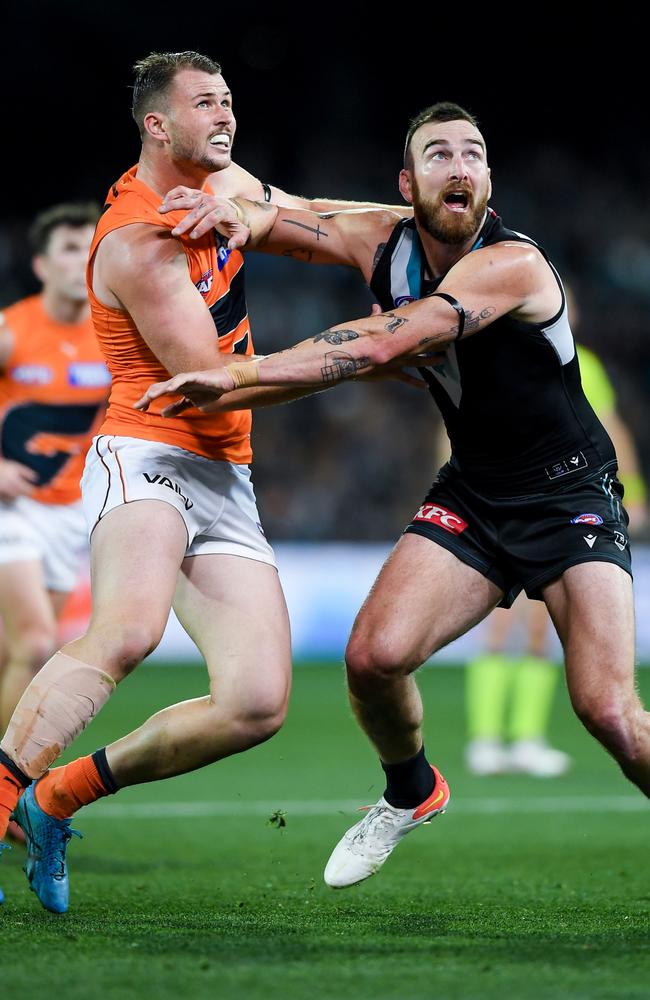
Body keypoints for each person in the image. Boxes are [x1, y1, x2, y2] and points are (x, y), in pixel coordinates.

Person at [139, 101, 650, 891]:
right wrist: (231, 208)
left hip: (568, 494)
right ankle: (411, 791)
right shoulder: (381, 236)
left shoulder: (513, 265)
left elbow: (382, 342)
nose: (459, 166)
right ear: (409, 183)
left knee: (609, 713)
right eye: (439, 154)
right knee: (372, 659)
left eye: (473, 154)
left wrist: (237, 374)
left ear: (487, 178)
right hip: (476, 493)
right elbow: (290, 215)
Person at [0, 50, 415, 913]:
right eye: (205, 105)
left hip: (226, 472)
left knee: (258, 701)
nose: (226, 117)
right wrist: (373, 353)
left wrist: (417, 222)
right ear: (158, 124)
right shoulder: (137, 241)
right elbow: (211, 376)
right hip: (147, 450)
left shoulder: (222, 181)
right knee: (126, 632)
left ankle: (57, 796)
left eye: (229, 100)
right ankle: (2, 792)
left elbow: (309, 216)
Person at [465, 334, 649, 777]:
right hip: (498, 502)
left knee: (536, 633)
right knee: (500, 628)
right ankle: (485, 739)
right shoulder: (488, 351)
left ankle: (525, 739)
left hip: (557, 508)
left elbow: (605, 425)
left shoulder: (581, 359)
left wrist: (634, 490)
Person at [0, 203, 107, 849]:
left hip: (73, 513)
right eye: (69, 249)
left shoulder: (112, 331)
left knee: (23, 656)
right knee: (37, 644)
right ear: (42, 265)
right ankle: (9, 789)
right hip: (13, 506)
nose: (81, 261)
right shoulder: (12, 331)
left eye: (90, 248)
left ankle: (9, 786)